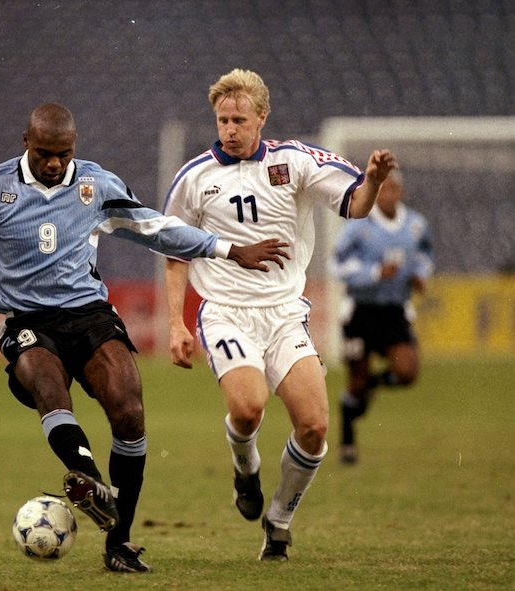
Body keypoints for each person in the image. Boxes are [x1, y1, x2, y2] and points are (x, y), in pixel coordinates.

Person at [0, 103, 285, 573]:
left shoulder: (96, 185)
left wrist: (229, 249)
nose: (54, 163)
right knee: (47, 383)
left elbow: (156, 228)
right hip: (26, 320)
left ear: (74, 147)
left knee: (129, 408)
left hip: (89, 315)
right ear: (26, 142)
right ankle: (88, 480)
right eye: (44, 153)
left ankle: (119, 543)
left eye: (63, 153)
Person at [162, 69, 398, 561]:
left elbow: (355, 205)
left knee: (314, 427)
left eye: (239, 120)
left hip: (285, 313)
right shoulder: (194, 178)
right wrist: (176, 323)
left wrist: (374, 180)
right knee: (248, 407)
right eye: (223, 120)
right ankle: (245, 468)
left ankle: (279, 522)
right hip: (226, 312)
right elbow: (175, 253)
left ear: (262, 118)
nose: (229, 129)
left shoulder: (295, 162)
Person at [330, 170, 433, 464]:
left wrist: (421, 274)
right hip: (360, 312)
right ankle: (347, 438)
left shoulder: (415, 225)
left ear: (401, 192)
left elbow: (425, 256)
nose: (387, 194)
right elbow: (336, 264)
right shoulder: (358, 226)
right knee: (356, 382)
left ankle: (374, 385)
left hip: (394, 310)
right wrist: (374, 273)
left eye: (393, 188)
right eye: (382, 188)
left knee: (407, 372)